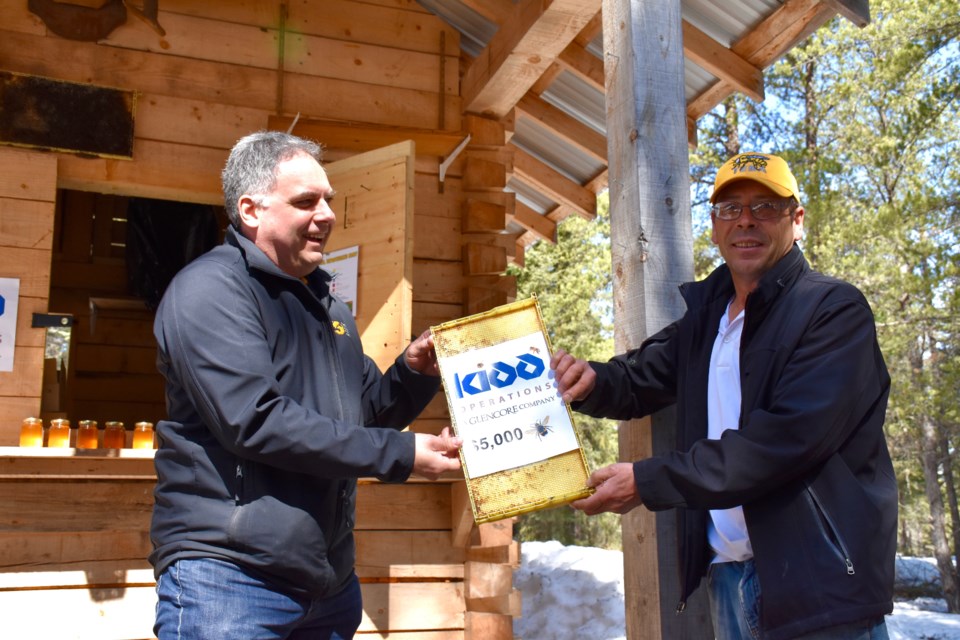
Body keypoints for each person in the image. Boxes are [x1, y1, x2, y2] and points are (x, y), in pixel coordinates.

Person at [552, 152, 896, 640]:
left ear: (797, 220)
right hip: (729, 585)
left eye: (766, 207)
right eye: (730, 209)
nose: (747, 221)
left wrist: (648, 481)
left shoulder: (833, 310)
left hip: (819, 594)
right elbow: (637, 379)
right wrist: (589, 381)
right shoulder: (707, 320)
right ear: (713, 227)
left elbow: (784, 441)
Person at [150, 131, 463, 640]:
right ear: (251, 210)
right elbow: (255, 420)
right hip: (230, 579)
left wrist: (413, 372)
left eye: (329, 201)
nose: (327, 215)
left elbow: (363, 416)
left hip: (329, 587)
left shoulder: (326, 305)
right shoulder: (210, 290)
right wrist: (402, 454)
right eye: (305, 201)